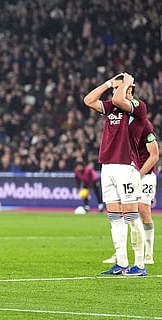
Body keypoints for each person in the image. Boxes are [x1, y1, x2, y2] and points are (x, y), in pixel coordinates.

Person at [83, 72, 147, 276]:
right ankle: (121, 263)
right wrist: (109, 82)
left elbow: (120, 98)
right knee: (114, 218)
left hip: (125, 167)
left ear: (130, 90)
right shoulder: (112, 108)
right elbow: (88, 100)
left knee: (131, 216)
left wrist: (126, 80)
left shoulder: (137, 107)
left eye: (119, 88)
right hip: (107, 166)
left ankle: (140, 265)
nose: (114, 92)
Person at [103, 118, 159, 265]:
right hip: (127, 173)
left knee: (143, 210)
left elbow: (154, 155)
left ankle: (148, 254)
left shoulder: (144, 125)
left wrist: (138, 175)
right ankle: (120, 254)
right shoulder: (122, 124)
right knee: (122, 211)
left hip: (145, 175)